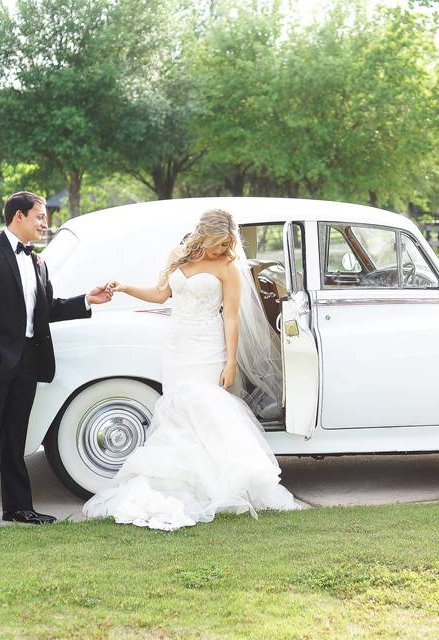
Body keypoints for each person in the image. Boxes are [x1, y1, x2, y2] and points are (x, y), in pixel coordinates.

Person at [83, 208, 299, 531]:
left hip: (208, 348)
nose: (223, 250)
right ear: (203, 235)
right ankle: (181, 485)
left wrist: (230, 362)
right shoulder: (177, 256)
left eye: (227, 244)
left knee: (204, 411)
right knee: (177, 415)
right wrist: (125, 287)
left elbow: (231, 317)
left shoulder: (228, 268)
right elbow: (160, 295)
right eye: (217, 244)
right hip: (176, 348)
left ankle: (220, 485)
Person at [0, 191, 112, 527]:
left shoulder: (38, 262)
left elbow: (47, 310)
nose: (45, 223)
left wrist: (87, 299)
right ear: (18, 217)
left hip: (27, 360)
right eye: (40, 217)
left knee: (16, 436)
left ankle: (17, 508)